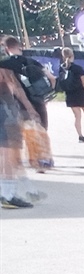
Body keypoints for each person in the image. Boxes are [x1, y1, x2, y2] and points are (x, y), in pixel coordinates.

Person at [0, 61, 33, 207]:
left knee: (3, 154)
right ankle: (8, 194)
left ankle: (5, 192)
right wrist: (30, 108)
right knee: (9, 153)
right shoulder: (4, 68)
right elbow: (15, 89)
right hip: (5, 112)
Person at [60, 48, 84, 143]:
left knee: (77, 117)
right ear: (73, 55)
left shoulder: (62, 68)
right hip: (81, 94)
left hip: (70, 95)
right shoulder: (78, 68)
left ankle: (80, 136)